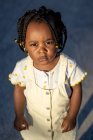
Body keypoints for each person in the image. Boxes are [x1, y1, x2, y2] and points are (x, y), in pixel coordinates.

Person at [9, 6, 87, 140]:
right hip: (35, 128)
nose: (42, 50)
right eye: (34, 44)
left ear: (57, 41)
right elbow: (19, 90)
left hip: (62, 127)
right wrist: (19, 115)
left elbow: (77, 89)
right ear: (24, 45)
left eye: (48, 42)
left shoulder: (68, 65)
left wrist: (72, 116)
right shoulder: (22, 68)